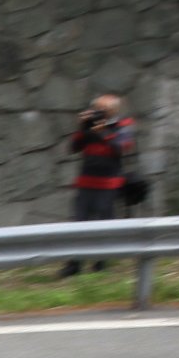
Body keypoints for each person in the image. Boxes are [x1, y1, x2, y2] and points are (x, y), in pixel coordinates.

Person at [61, 93, 136, 278]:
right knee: (78, 224)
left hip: (108, 185)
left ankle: (100, 263)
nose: (98, 113)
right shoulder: (89, 127)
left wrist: (103, 132)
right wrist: (82, 128)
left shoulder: (123, 125)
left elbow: (120, 148)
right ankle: (74, 264)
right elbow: (74, 147)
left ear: (113, 111)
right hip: (86, 182)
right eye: (96, 109)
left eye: (103, 110)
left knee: (104, 225)